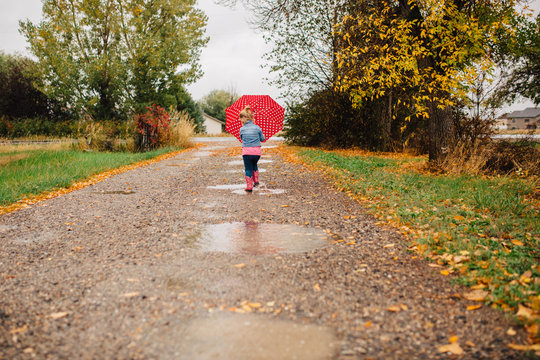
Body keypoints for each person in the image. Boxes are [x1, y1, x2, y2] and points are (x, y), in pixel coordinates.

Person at [239, 105, 265, 192]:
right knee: (254, 164)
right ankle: (256, 180)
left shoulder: (242, 129)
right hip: (257, 153)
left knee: (248, 168)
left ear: (244, 118)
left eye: (240, 118)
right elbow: (262, 139)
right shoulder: (257, 128)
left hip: (247, 152)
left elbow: (242, 138)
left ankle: (249, 186)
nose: (240, 120)